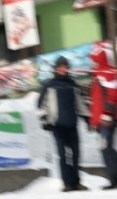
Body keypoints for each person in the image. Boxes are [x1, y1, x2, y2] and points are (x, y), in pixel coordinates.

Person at [37, 56, 89, 192]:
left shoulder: (72, 84)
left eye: (65, 67)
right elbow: (41, 105)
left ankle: (77, 182)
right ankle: (67, 183)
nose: (63, 69)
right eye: (60, 67)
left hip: (72, 124)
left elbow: (80, 104)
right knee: (63, 154)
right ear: (56, 69)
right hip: (57, 125)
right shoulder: (50, 85)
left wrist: (86, 118)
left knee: (76, 154)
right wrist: (44, 120)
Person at [88, 46, 117, 189]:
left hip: (107, 118)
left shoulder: (106, 73)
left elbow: (113, 95)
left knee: (106, 147)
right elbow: (97, 101)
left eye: (94, 59)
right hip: (103, 118)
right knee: (105, 147)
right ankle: (115, 179)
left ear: (99, 59)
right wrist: (94, 120)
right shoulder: (100, 74)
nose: (92, 62)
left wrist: (106, 115)